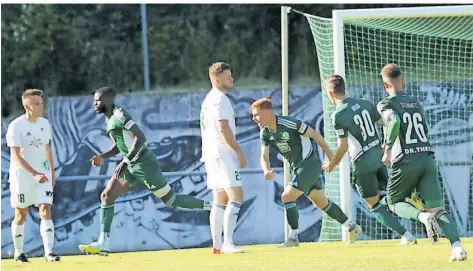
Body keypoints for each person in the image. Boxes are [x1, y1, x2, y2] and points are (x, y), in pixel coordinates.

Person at [79, 87, 211, 256]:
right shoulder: (109, 119)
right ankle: (104, 243)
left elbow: (140, 138)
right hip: (130, 166)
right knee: (107, 196)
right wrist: (103, 157)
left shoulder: (120, 114)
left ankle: (211, 206)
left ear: (109, 101)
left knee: (170, 200)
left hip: (144, 164)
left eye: (98, 100)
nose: (95, 104)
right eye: (94, 101)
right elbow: (121, 144)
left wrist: (126, 161)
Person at [377, 63, 467, 261]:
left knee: (393, 202)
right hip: (426, 157)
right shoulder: (416, 103)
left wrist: (387, 149)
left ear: (385, 85)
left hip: (405, 160)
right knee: (439, 209)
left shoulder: (385, 104)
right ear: (403, 81)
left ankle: (422, 217)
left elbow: (394, 122)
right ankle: (457, 248)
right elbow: (424, 130)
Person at [251, 97, 362, 247]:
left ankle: (293, 237)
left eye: (256, 115)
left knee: (287, 196)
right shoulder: (265, 133)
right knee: (321, 203)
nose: (254, 119)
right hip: (298, 168)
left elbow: (316, 136)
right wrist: (266, 171)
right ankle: (351, 226)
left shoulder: (289, 123)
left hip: (308, 165)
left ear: (267, 113)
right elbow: (263, 156)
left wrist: (331, 158)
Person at [321, 75, 416, 245]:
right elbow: (385, 124)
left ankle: (407, 236)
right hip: (378, 157)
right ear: (345, 87)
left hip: (362, 163)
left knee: (374, 205)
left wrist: (331, 164)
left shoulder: (338, 115)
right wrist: (386, 148)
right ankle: (420, 210)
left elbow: (343, 146)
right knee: (391, 198)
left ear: (330, 93)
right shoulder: (364, 103)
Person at [6, 89, 60, 262]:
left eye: (41, 103)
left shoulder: (44, 124)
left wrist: (51, 173)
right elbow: (15, 155)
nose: (40, 107)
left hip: (42, 174)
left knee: (46, 210)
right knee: (21, 213)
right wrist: (34, 174)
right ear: (26, 106)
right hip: (22, 176)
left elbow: (47, 149)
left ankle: (49, 253)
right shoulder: (16, 126)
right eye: (36, 104)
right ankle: (18, 252)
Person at [200, 62, 247, 254]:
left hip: (210, 153)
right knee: (236, 196)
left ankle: (217, 245)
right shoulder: (220, 100)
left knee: (219, 199)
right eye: (228, 77)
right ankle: (228, 243)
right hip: (222, 152)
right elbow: (224, 128)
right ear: (217, 80)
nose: (232, 79)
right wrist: (238, 151)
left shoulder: (208, 99)